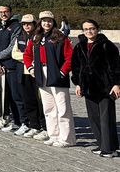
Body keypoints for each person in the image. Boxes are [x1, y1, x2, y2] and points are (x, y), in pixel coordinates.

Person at [24, 11, 76, 148]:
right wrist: (30, 68)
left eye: (49, 21)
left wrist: (63, 72)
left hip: (57, 75)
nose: (47, 23)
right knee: (49, 108)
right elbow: (27, 55)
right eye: (44, 20)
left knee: (63, 109)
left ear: (53, 22)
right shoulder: (36, 38)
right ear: (40, 22)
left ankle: (67, 138)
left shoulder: (60, 37)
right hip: (41, 74)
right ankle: (54, 135)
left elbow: (70, 57)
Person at [72, 19, 120, 158]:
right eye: (86, 29)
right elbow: (76, 67)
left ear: (97, 29)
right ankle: (102, 144)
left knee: (106, 118)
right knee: (94, 118)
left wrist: (117, 84)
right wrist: (78, 83)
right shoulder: (79, 46)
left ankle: (109, 149)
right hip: (88, 87)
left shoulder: (107, 45)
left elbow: (116, 66)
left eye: (91, 28)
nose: (89, 31)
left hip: (106, 88)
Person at [12, 14, 47, 139]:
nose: (26, 26)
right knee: (29, 101)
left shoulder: (38, 37)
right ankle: (34, 126)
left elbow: (38, 54)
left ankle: (44, 127)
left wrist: (29, 57)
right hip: (23, 73)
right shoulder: (20, 37)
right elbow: (14, 53)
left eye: (29, 23)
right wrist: (27, 58)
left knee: (40, 102)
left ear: (34, 24)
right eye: (24, 24)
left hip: (36, 73)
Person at [0, 5, 22, 132]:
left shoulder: (16, 27)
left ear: (10, 12)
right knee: (8, 97)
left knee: (17, 97)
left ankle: (22, 122)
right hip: (2, 66)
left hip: (13, 66)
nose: (3, 14)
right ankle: (15, 121)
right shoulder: (0, 28)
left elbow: (12, 47)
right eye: (1, 12)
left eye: (6, 12)